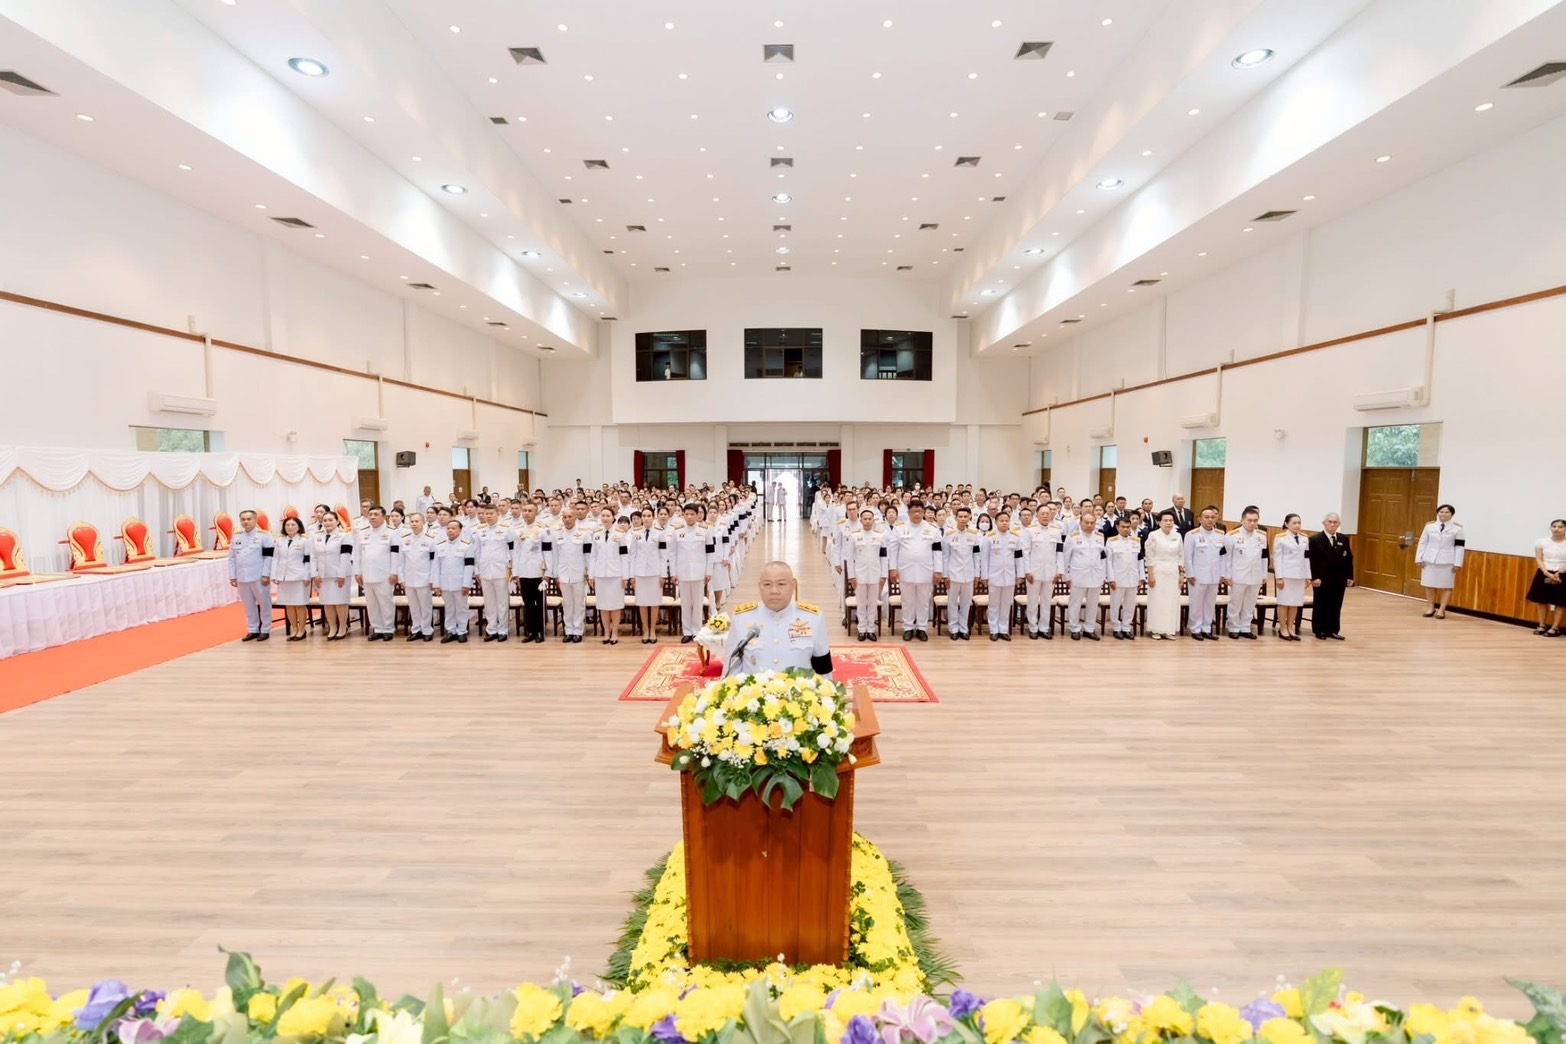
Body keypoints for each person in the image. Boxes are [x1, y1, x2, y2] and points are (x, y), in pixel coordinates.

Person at [722, 561, 832, 679]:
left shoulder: (813, 618)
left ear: (793, 585)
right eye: (767, 584)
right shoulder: (742, 619)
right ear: (759, 586)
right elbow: (731, 670)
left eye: (781, 584)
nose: (774, 590)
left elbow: (823, 670)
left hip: (799, 690)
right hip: (754, 690)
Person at [888, 500, 943, 641]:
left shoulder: (932, 529)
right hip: (905, 571)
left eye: (919, 511)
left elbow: (937, 551)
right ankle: (908, 628)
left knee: (923, 601)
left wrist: (938, 570)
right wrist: (892, 569)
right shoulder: (899, 528)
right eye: (913, 511)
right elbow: (893, 550)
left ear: (924, 512)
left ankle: (921, 628)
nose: (916, 514)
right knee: (907, 601)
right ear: (908, 513)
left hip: (926, 570)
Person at [354, 505, 402, 641]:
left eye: (376, 514)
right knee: (372, 604)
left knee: (386, 603)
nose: (372, 517)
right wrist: (357, 572)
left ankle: (388, 628)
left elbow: (396, 554)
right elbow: (357, 554)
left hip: (385, 575)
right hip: (367, 575)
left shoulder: (392, 532)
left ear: (383, 517)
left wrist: (394, 572)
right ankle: (377, 628)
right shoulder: (362, 532)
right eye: (370, 515)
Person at [979, 510, 1028, 641]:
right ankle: (994, 630)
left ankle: (1003, 629)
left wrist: (1020, 574)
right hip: (993, 575)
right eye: (1001, 520)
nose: (1004, 523)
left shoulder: (1015, 537)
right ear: (996, 522)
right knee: (994, 604)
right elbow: (984, 558)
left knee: (1006, 603)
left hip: (1010, 575)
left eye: (1006, 520)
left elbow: (1019, 558)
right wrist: (984, 576)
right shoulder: (989, 537)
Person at [228, 509, 275, 642]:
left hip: (259, 576)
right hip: (242, 577)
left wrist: (266, 574)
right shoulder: (236, 537)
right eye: (243, 519)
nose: (246, 522)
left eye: (249, 519)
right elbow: (232, 558)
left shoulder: (265, 536)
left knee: (264, 604)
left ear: (255, 520)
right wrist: (233, 576)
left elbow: (269, 557)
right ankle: (253, 629)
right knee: (248, 605)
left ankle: (265, 629)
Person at [547, 507, 591, 643]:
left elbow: (588, 555)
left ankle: (577, 631)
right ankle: (569, 631)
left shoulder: (584, 533)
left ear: (575, 517)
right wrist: (555, 574)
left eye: (570, 517)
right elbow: (554, 556)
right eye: (565, 517)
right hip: (563, 574)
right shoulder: (556, 534)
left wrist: (588, 573)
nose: (567, 520)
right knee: (567, 604)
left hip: (579, 574)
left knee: (579, 603)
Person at [1182, 507, 1228, 640]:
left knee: (1210, 603)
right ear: (1199, 519)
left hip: (1214, 575)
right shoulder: (1192, 535)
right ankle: (1195, 628)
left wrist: (1222, 573)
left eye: (1213, 517)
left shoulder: (1220, 534)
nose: (1210, 520)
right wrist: (1189, 574)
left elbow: (1223, 556)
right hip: (1198, 575)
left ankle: (1206, 628)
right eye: (1206, 517)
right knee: (1196, 603)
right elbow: (1187, 557)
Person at [1307, 512, 1354, 640]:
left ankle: (1332, 629)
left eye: (1335, 522)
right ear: (1324, 523)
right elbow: (1312, 560)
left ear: (1339, 524)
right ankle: (1319, 630)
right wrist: (1314, 577)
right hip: (1322, 578)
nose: (1332, 524)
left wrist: (1349, 576)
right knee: (1321, 604)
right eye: (1330, 522)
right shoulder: (1315, 539)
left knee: (1336, 604)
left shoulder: (1343, 539)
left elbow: (1348, 558)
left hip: (1339, 578)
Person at [1062, 507, 1106, 641]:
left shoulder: (1100, 537)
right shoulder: (1072, 537)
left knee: (1093, 604)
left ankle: (1089, 629)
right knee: (1075, 603)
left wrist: (1104, 575)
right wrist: (1066, 576)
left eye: (1092, 523)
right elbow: (1066, 558)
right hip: (1078, 575)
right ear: (1080, 522)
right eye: (1086, 522)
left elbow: (1102, 557)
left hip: (1095, 575)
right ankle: (1074, 628)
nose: (1089, 525)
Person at [670, 503, 713, 642]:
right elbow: (672, 553)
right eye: (687, 514)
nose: (689, 517)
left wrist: (708, 572)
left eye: (692, 514)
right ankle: (687, 631)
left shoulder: (705, 530)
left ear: (697, 515)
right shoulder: (677, 531)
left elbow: (710, 553)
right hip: (682, 572)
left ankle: (697, 631)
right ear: (683, 515)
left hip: (699, 572)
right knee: (685, 603)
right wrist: (673, 573)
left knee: (698, 603)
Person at [1414, 504, 1465, 619]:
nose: (1443, 514)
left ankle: (1441, 610)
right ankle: (1430, 608)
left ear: (1452, 514)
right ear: (1437, 513)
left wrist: (1457, 563)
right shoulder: (1429, 527)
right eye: (1441, 512)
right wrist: (1419, 558)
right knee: (1429, 585)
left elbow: (1459, 547)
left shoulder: (1457, 529)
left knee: (1446, 586)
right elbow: (1422, 543)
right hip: (1429, 560)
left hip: (1447, 561)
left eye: (1447, 512)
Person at [1226, 508, 1268, 639]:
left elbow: (1264, 557)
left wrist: (1264, 574)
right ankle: (1233, 627)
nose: (1252, 523)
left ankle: (1245, 627)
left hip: (1255, 575)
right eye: (1249, 520)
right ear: (1242, 520)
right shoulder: (1232, 535)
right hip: (1237, 575)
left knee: (1250, 603)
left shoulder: (1262, 536)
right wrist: (1227, 575)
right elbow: (1227, 558)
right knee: (1235, 603)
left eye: (1255, 520)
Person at [847, 508, 888, 641]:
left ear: (873, 520)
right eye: (865, 519)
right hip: (859, 574)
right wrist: (851, 576)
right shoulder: (854, 536)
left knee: (872, 603)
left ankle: (871, 629)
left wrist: (884, 575)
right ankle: (861, 629)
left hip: (875, 574)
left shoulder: (880, 536)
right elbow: (849, 558)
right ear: (861, 520)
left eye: (870, 519)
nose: (867, 521)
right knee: (861, 603)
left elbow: (884, 557)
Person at [590, 509, 630, 645]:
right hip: (600, 574)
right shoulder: (596, 534)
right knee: (603, 605)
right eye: (603, 516)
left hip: (616, 575)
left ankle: (615, 632)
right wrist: (591, 575)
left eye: (608, 515)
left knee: (615, 605)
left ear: (613, 518)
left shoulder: (620, 534)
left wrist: (625, 576)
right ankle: (606, 631)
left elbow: (624, 556)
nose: (605, 518)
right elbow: (593, 556)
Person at [272, 516, 314, 641]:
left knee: (300, 604)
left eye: (293, 525)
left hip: (299, 577)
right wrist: (274, 574)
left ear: (299, 527)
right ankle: (294, 629)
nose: (290, 527)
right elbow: (275, 558)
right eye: (287, 525)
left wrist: (307, 575)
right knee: (289, 604)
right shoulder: (279, 540)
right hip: (284, 577)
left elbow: (308, 559)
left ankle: (302, 629)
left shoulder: (305, 540)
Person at [432, 519, 475, 643]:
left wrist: (466, 584)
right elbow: (436, 567)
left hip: (460, 583)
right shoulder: (439, 545)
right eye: (448, 528)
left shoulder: (466, 545)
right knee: (449, 608)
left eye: (453, 528)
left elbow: (469, 566)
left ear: (460, 530)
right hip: (445, 583)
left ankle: (462, 631)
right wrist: (436, 585)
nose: (450, 530)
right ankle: (450, 631)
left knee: (462, 608)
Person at [943, 507, 982, 640]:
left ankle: (964, 628)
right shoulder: (949, 534)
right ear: (956, 518)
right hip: (953, 574)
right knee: (952, 602)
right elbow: (945, 556)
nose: (963, 519)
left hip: (969, 574)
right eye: (960, 516)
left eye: (965, 516)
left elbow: (976, 556)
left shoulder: (974, 534)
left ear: (969, 517)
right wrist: (945, 575)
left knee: (966, 603)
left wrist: (977, 574)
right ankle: (953, 628)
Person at [1143, 510, 1183, 640]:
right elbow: (1149, 556)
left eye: (1171, 520)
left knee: (1171, 601)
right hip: (1158, 571)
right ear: (1159, 522)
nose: (1168, 523)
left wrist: (1182, 574)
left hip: (1173, 572)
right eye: (1165, 520)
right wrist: (1151, 574)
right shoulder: (1153, 535)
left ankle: (1169, 630)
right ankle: (1156, 629)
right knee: (1158, 601)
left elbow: (1180, 556)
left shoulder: (1177, 536)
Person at [512, 502, 549, 643]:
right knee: (527, 604)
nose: (526, 513)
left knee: (539, 604)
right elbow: (516, 553)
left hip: (538, 571)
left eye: (530, 511)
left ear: (536, 513)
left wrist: (547, 573)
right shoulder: (518, 530)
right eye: (525, 510)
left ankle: (540, 631)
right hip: (523, 572)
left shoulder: (543, 529)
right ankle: (530, 631)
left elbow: (548, 552)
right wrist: (516, 573)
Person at [314, 511, 353, 640]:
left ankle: (342, 627)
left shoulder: (344, 536)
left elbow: (345, 556)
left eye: (330, 520)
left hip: (339, 575)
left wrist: (342, 574)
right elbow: (313, 557)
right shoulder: (317, 536)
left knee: (340, 602)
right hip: (323, 576)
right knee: (327, 603)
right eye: (325, 520)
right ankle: (332, 627)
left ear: (337, 521)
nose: (327, 523)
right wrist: (315, 574)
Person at [629, 510, 666, 644]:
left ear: (653, 517)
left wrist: (663, 574)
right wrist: (631, 575)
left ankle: (653, 630)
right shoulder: (635, 533)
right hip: (639, 573)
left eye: (649, 516)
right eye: (644, 516)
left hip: (655, 573)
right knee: (642, 603)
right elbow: (632, 555)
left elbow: (663, 555)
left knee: (655, 603)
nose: (646, 518)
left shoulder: (660, 533)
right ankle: (645, 629)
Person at [1104, 516, 1144, 640]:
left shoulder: (1136, 541)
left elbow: (1140, 560)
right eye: (1123, 527)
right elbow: (1108, 561)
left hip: (1133, 577)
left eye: (1128, 527)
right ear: (1117, 527)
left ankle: (1126, 627)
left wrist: (1142, 576)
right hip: (1118, 578)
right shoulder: (1111, 541)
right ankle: (1116, 627)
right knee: (1115, 603)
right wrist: (1110, 578)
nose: (1126, 529)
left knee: (1130, 604)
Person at [1272, 513, 1309, 641]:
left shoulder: (1304, 538)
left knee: (1295, 603)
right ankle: (1282, 628)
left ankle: (1290, 627)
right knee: (1284, 603)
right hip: (1286, 575)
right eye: (1294, 523)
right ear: (1286, 524)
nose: (1297, 525)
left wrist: (1308, 576)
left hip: (1300, 575)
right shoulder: (1280, 538)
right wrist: (1279, 577)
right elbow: (1277, 559)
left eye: (1299, 523)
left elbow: (1307, 558)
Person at [401, 513, 436, 641]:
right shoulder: (404, 539)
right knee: (413, 606)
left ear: (423, 522)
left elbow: (433, 562)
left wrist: (432, 579)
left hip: (424, 578)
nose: (414, 524)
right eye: (412, 521)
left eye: (417, 521)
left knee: (425, 606)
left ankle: (427, 630)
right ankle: (416, 629)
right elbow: (401, 561)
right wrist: (401, 578)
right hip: (409, 578)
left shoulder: (430, 539)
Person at [1529, 519, 1566, 636]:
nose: (1556, 529)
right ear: (1550, 528)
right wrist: (1546, 573)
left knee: (1560, 601)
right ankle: (1541, 625)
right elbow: (1539, 558)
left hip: (1562, 573)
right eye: (1554, 526)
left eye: (1560, 527)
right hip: (1544, 572)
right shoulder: (1541, 542)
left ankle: (1555, 628)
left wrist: (1560, 572)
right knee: (1542, 600)